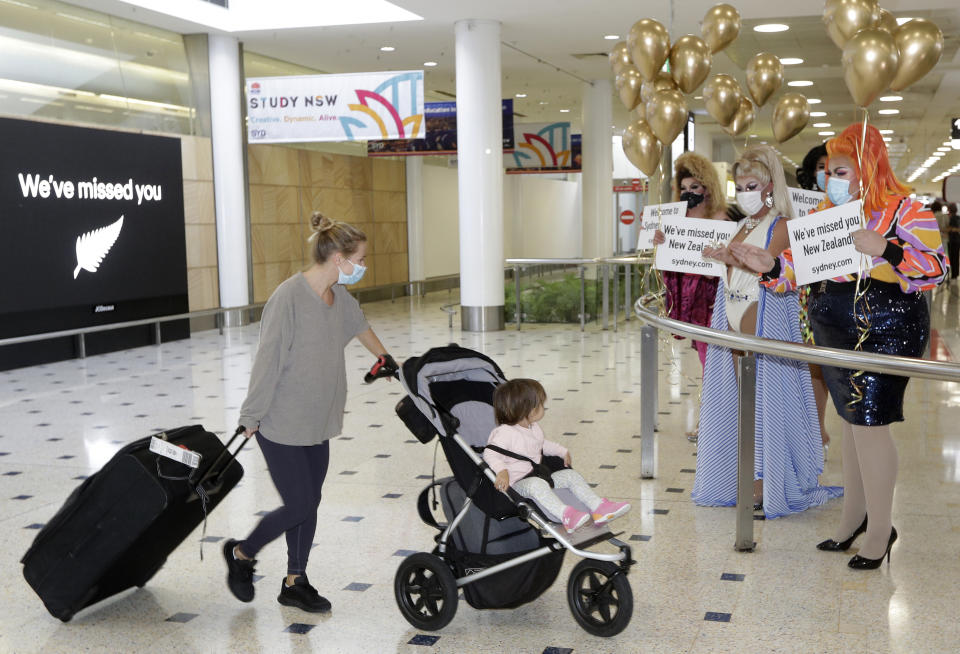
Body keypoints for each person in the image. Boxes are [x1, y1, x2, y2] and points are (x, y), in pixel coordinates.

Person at [731, 124, 947, 568]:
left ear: (868, 168)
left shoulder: (906, 210)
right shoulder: (826, 213)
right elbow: (793, 272)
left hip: (887, 324)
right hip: (833, 323)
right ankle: (855, 518)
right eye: (828, 170)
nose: (830, 178)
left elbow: (937, 269)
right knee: (850, 421)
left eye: (841, 169)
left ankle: (881, 529)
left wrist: (887, 249)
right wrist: (769, 265)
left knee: (870, 422)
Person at [223, 213, 398, 611]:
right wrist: (251, 415)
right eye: (361, 259)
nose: (363, 267)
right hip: (281, 422)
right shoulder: (288, 298)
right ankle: (242, 554)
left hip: (318, 420)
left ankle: (294, 582)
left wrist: (390, 362)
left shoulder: (340, 298)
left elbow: (361, 327)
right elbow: (267, 361)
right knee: (299, 503)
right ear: (338, 257)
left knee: (309, 502)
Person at [692, 145, 841, 518]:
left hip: (761, 321)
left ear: (770, 185)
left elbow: (769, 270)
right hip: (733, 315)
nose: (745, 192)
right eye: (740, 185)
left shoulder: (781, 226)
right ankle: (745, 479)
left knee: (763, 406)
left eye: (752, 184)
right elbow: (735, 271)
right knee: (742, 405)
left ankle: (766, 484)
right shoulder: (741, 225)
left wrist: (734, 256)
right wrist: (724, 258)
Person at [483, 378, 631, 533]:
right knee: (536, 485)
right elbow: (490, 453)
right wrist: (502, 471)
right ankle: (566, 515)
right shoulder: (505, 433)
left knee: (569, 475)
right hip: (517, 485)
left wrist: (561, 451)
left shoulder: (533, 427)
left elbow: (542, 444)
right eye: (540, 404)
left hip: (538, 475)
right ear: (528, 409)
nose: (543, 408)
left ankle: (599, 507)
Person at [653, 152, 729, 441]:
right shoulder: (675, 219)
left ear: (707, 188)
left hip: (714, 302)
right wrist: (659, 243)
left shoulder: (720, 218)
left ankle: (712, 423)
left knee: (715, 365)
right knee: (707, 364)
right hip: (689, 304)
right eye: (684, 188)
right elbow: (667, 265)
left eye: (695, 188)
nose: (688, 193)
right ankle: (712, 422)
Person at [797, 144, 833, 453]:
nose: (826, 173)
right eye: (821, 167)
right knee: (809, 364)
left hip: (837, 293)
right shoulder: (795, 204)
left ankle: (819, 427)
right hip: (802, 293)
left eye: (832, 167)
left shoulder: (848, 205)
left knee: (824, 365)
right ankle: (810, 428)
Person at [947, 202, 959, 280]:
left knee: (953, 258)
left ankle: (954, 275)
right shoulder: (958, 217)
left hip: (952, 241)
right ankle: (956, 273)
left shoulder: (952, 218)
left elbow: (950, 229)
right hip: (958, 240)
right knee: (956, 258)